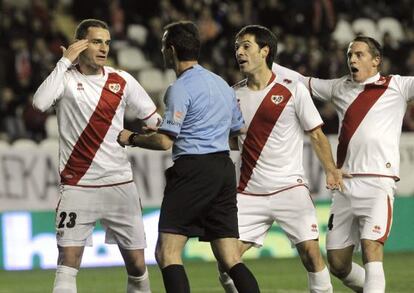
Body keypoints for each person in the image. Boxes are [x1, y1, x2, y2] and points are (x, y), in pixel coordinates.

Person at [117, 21, 260, 293]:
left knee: (167, 253)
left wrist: (132, 138)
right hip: (223, 168)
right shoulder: (221, 84)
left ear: (170, 50)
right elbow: (237, 129)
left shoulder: (178, 88)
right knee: (230, 257)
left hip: (194, 170)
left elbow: (163, 142)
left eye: (163, 46)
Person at [33, 19, 160, 293]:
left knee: (138, 265)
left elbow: (153, 119)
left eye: (107, 42)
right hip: (78, 186)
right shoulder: (65, 79)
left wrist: (155, 131)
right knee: (67, 262)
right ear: (80, 44)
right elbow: (39, 103)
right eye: (96, 41)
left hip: (120, 185)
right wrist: (65, 61)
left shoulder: (122, 80)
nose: (103, 48)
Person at [217, 25, 343, 293]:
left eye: (246, 46)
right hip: (247, 193)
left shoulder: (293, 89)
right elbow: (229, 140)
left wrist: (331, 170)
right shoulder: (231, 94)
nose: (238, 52)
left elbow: (317, 135)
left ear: (265, 51)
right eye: (237, 47)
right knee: (227, 263)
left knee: (311, 254)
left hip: (289, 188)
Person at [303, 35, 414, 292]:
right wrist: (267, 65)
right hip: (344, 184)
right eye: (350, 55)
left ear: (376, 61)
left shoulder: (397, 86)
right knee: (337, 263)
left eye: (359, 54)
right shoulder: (339, 87)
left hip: (378, 182)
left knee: (371, 247)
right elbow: (303, 83)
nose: (351, 59)